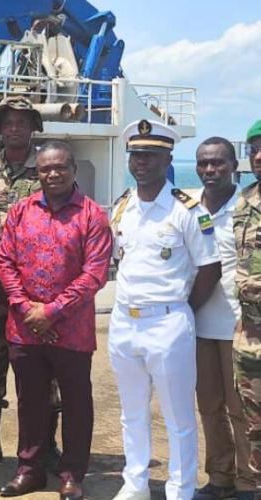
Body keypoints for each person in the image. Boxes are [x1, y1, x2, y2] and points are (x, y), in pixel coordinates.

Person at [109, 119, 222, 500]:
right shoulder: (123, 205)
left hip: (168, 322)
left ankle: (180, 489)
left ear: (167, 158)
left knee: (178, 417)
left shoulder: (187, 210)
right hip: (125, 321)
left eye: (150, 155)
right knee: (132, 412)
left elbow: (210, 267)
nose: (141, 162)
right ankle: (136, 483)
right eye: (136, 155)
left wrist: (181, 311)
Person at [0, 141, 112, 499]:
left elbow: (95, 274)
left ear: (74, 169)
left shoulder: (92, 215)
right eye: (45, 168)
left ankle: (72, 474)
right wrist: (23, 304)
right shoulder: (20, 211)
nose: (53, 174)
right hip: (24, 327)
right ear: (37, 172)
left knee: (76, 404)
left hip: (71, 330)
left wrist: (53, 310)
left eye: (60, 167)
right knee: (30, 402)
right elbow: (5, 260)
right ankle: (29, 469)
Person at [0, 95, 62, 472]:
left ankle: (48, 445)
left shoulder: (49, 172)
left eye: (23, 122)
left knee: (45, 372)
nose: (15, 129)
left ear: (33, 128)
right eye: (8, 123)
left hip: (37, 291)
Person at [190, 137, 254, 500]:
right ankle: (220, 477)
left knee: (241, 410)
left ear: (234, 165)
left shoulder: (247, 207)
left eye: (218, 163)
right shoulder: (188, 205)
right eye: (203, 163)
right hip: (198, 324)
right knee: (209, 406)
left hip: (238, 327)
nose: (210, 170)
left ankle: (249, 482)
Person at [233, 119, 261, 495]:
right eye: (254, 148)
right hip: (250, 340)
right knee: (255, 427)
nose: (259, 155)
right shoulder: (245, 201)